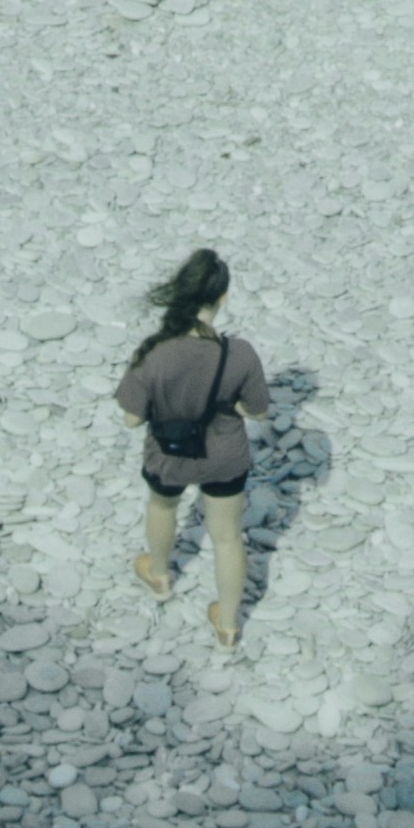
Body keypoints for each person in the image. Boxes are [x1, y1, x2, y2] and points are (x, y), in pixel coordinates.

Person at [119, 248, 266, 646]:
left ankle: (160, 576)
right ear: (222, 298)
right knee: (228, 538)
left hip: (170, 454)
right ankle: (229, 625)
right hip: (225, 458)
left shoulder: (153, 353)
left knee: (163, 506)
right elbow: (258, 412)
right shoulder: (240, 354)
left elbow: (132, 419)